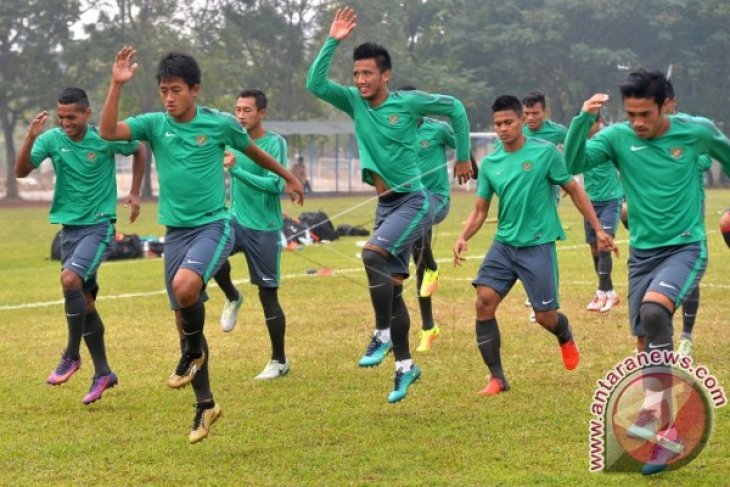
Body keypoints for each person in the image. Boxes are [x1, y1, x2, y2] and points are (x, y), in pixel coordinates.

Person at [100, 47, 304, 443]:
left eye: (176, 89)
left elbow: (254, 152)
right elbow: (108, 132)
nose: (169, 98)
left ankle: (195, 352)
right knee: (183, 320)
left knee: (186, 288)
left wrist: (288, 177)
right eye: (163, 90)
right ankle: (205, 405)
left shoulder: (220, 124)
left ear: (195, 89)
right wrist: (116, 85)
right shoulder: (156, 124)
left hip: (213, 224)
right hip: (175, 232)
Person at [564, 70, 730, 475]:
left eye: (646, 113)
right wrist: (581, 120)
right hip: (642, 254)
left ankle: (665, 427)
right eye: (631, 113)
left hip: (686, 246)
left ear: (667, 106)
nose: (637, 122)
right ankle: (657, 419)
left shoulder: (697, 133)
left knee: (656, 313)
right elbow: (570, 164)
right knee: (645, 341)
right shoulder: (619, 138)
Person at [306, 7, 472, 403]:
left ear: (386, 75)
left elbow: (456, 109)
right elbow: (314, 83)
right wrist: (333, 40)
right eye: (357, 74)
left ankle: (380, 332)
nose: (361, 81)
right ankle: (404, 367)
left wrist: (463, 155)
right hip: (386, 205)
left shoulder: (409, 104)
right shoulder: (353, 101)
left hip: (415, 201)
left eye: (368, 74)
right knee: (393, 289)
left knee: (371, 255)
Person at [453, 95, 615, 397]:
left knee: (545, 317)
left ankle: (564, 333)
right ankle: (497, 378)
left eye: (508, 122)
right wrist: (463, 236)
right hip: (504, 245)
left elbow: (574, 189)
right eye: (497, 124)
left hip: (537, 246)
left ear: (521, 121)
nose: (502, 129)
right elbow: (480, 209)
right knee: (483, 302)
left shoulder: (545, 154)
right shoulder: (490, 163)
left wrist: (597, 228)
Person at [15, 87, 146, 405]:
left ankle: (71, 354)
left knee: (69, 280)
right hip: (69, 231)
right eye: (61, 117)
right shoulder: (50, 140)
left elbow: (140, 149)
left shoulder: (104, 137)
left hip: (99, 225)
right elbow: (20, 171)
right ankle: (103, 372)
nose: (65, 122)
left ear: (87, 114)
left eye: (72, 117)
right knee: (84, 303)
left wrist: (136, 192)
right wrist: (31, 137)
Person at [213, 89, 290, 380]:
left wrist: (236, 172)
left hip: (265, 228)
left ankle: (279, 361)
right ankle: (232, 296)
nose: (241, 115)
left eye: (247, 110)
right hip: (235, 220)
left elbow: (275, 185)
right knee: (211, 256)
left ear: (261, 113)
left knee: (268, 296)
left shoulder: (274, 143)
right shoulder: (232, 140)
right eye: (237, 110)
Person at [399, 85, 455, 353]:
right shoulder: (395, 130)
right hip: (409, 199)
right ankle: (428, 328)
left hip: (436, 198)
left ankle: (432, 266)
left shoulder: (438, 128)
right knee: (417, 263)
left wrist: (468, 160)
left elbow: (462, 143)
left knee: (421, 246)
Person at [522, 92, 568, 319]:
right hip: (522, 196)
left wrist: (566, 179)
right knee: (525, 244)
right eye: (527, 113)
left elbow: (576, 152)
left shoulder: (558, 132)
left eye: (535, 113)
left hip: (548, 194)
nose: (530, 117)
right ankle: (534, 293)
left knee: (543, 244)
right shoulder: (518, 130)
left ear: (545, 111)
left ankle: (546, 299)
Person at [574, 113, 623, 312]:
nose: (586, 127)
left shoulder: (608, 142)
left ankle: (603, 292)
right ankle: (607, 292)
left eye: (590, 123)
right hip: (590, 202)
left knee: (604, 244)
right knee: (595, 247)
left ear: (599, 123)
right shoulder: (580, 145)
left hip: (611, 199)